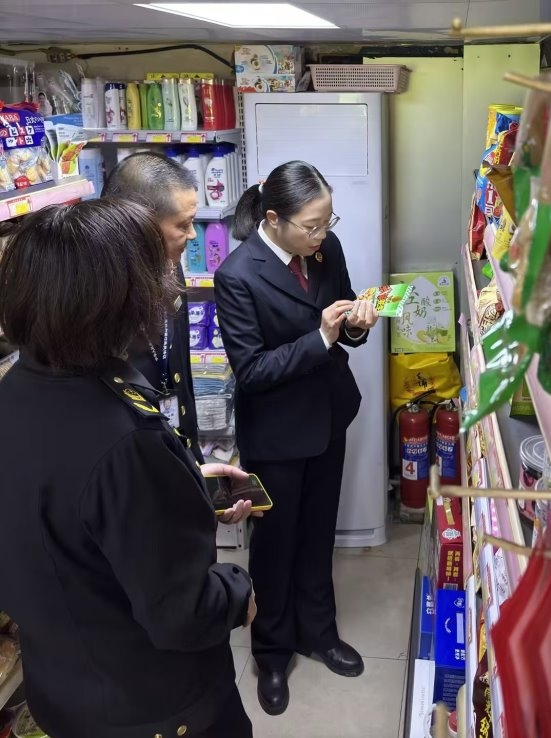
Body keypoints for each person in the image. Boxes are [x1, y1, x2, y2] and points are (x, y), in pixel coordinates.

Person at [0, 199, 255, 738]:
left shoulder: (17, 390)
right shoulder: (124, 438)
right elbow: (182, 612)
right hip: (157, 708)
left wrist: (181, 488)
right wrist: (239, 592)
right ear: (118, 302)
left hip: (63, 693)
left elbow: (67, 522)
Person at [214, 160, 379, 716]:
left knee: (317, 533)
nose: (322, 234)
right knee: (275, 544)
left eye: (328, 222)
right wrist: (322, 337)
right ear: (274, 219)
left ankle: (320, 633)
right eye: (312, 226)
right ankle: (272, 652)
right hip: (277, 433)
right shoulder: (238, 275)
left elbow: (343, 314)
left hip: (328, 417)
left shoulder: (325, 249)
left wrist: (355, 324)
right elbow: (252, 371)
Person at [102, 151, 251, 524]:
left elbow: (178, 374)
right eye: (183, 225)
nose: (192, 235)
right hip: (134, 486)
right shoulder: (97, 300)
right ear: (137, 223)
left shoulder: (169, 268)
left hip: (176, 452)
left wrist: (195, 473)